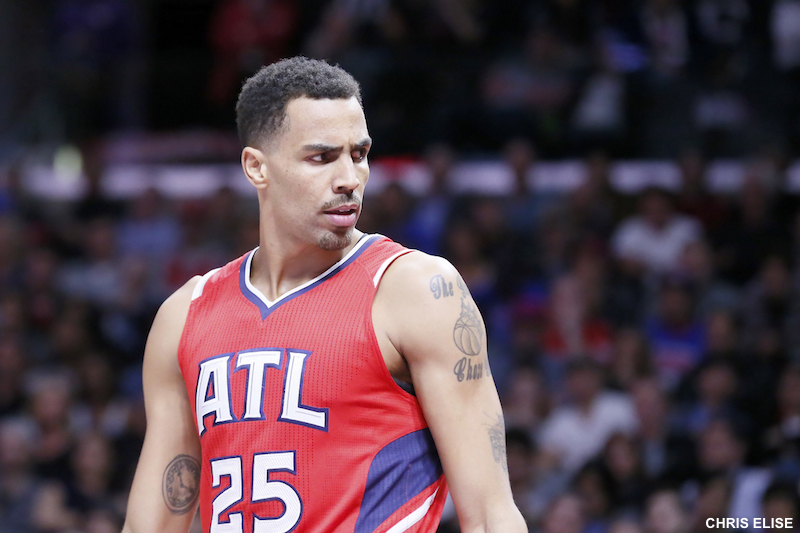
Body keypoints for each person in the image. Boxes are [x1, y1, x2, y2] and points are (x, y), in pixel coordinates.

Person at [121, 57, 526, 533]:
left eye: (359, 154)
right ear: (256, 168)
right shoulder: (185, 315)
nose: (349, 178)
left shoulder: (415, 290)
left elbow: (491, 516)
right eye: (322, 157)